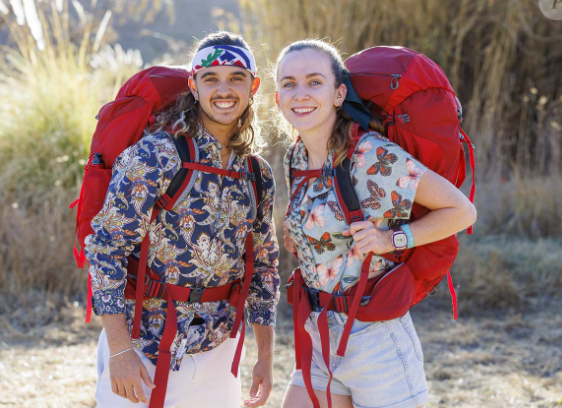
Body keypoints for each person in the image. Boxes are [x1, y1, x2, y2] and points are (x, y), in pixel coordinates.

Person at [276, 39, 477, 408]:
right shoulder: (296, 157)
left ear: (339, 94)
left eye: (314, 82)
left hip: (376, 338)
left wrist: (392, 239)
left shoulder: (371, 154)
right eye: (289, 83)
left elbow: (462, 211)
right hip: (321, 334)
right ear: (277, 98)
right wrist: (302, 241)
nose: (300, 93)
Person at [85, 31, 280, 408]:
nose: (224, 90)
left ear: (253, 86)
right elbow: (105, 246)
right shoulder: (156, 155)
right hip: (142, 349)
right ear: (193, 85)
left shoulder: (257, 173)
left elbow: (265, 268)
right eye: (211, 78)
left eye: (236, 78)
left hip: (218, 353)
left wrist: (266, 357)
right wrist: (119, 351)